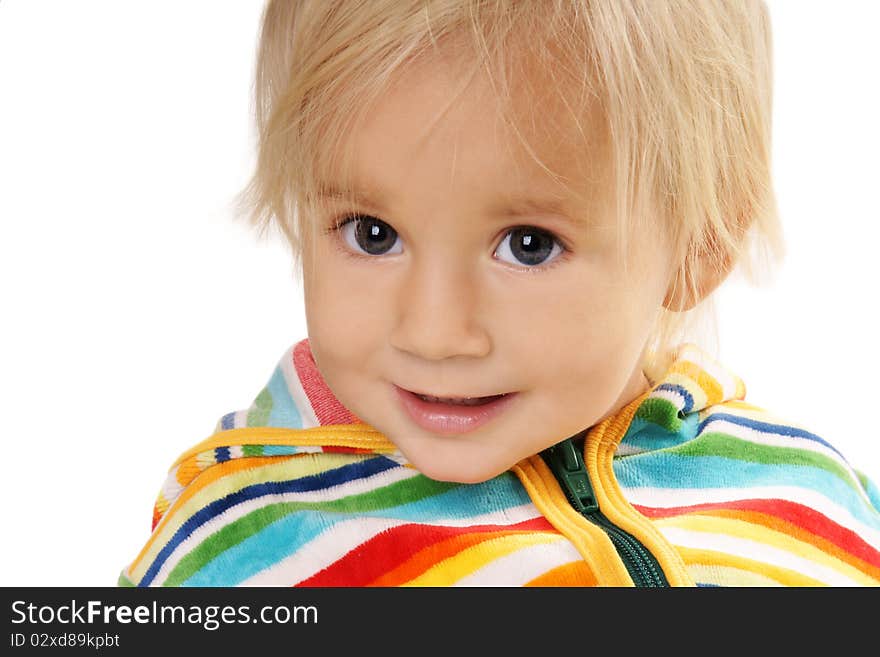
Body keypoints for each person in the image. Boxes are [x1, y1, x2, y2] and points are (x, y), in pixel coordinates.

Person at [119, 0, 880, 587]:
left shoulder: (816, 501)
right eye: (372, 233)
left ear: (702, 246)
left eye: (529, 245)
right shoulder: (246, 539)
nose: (434, 331)